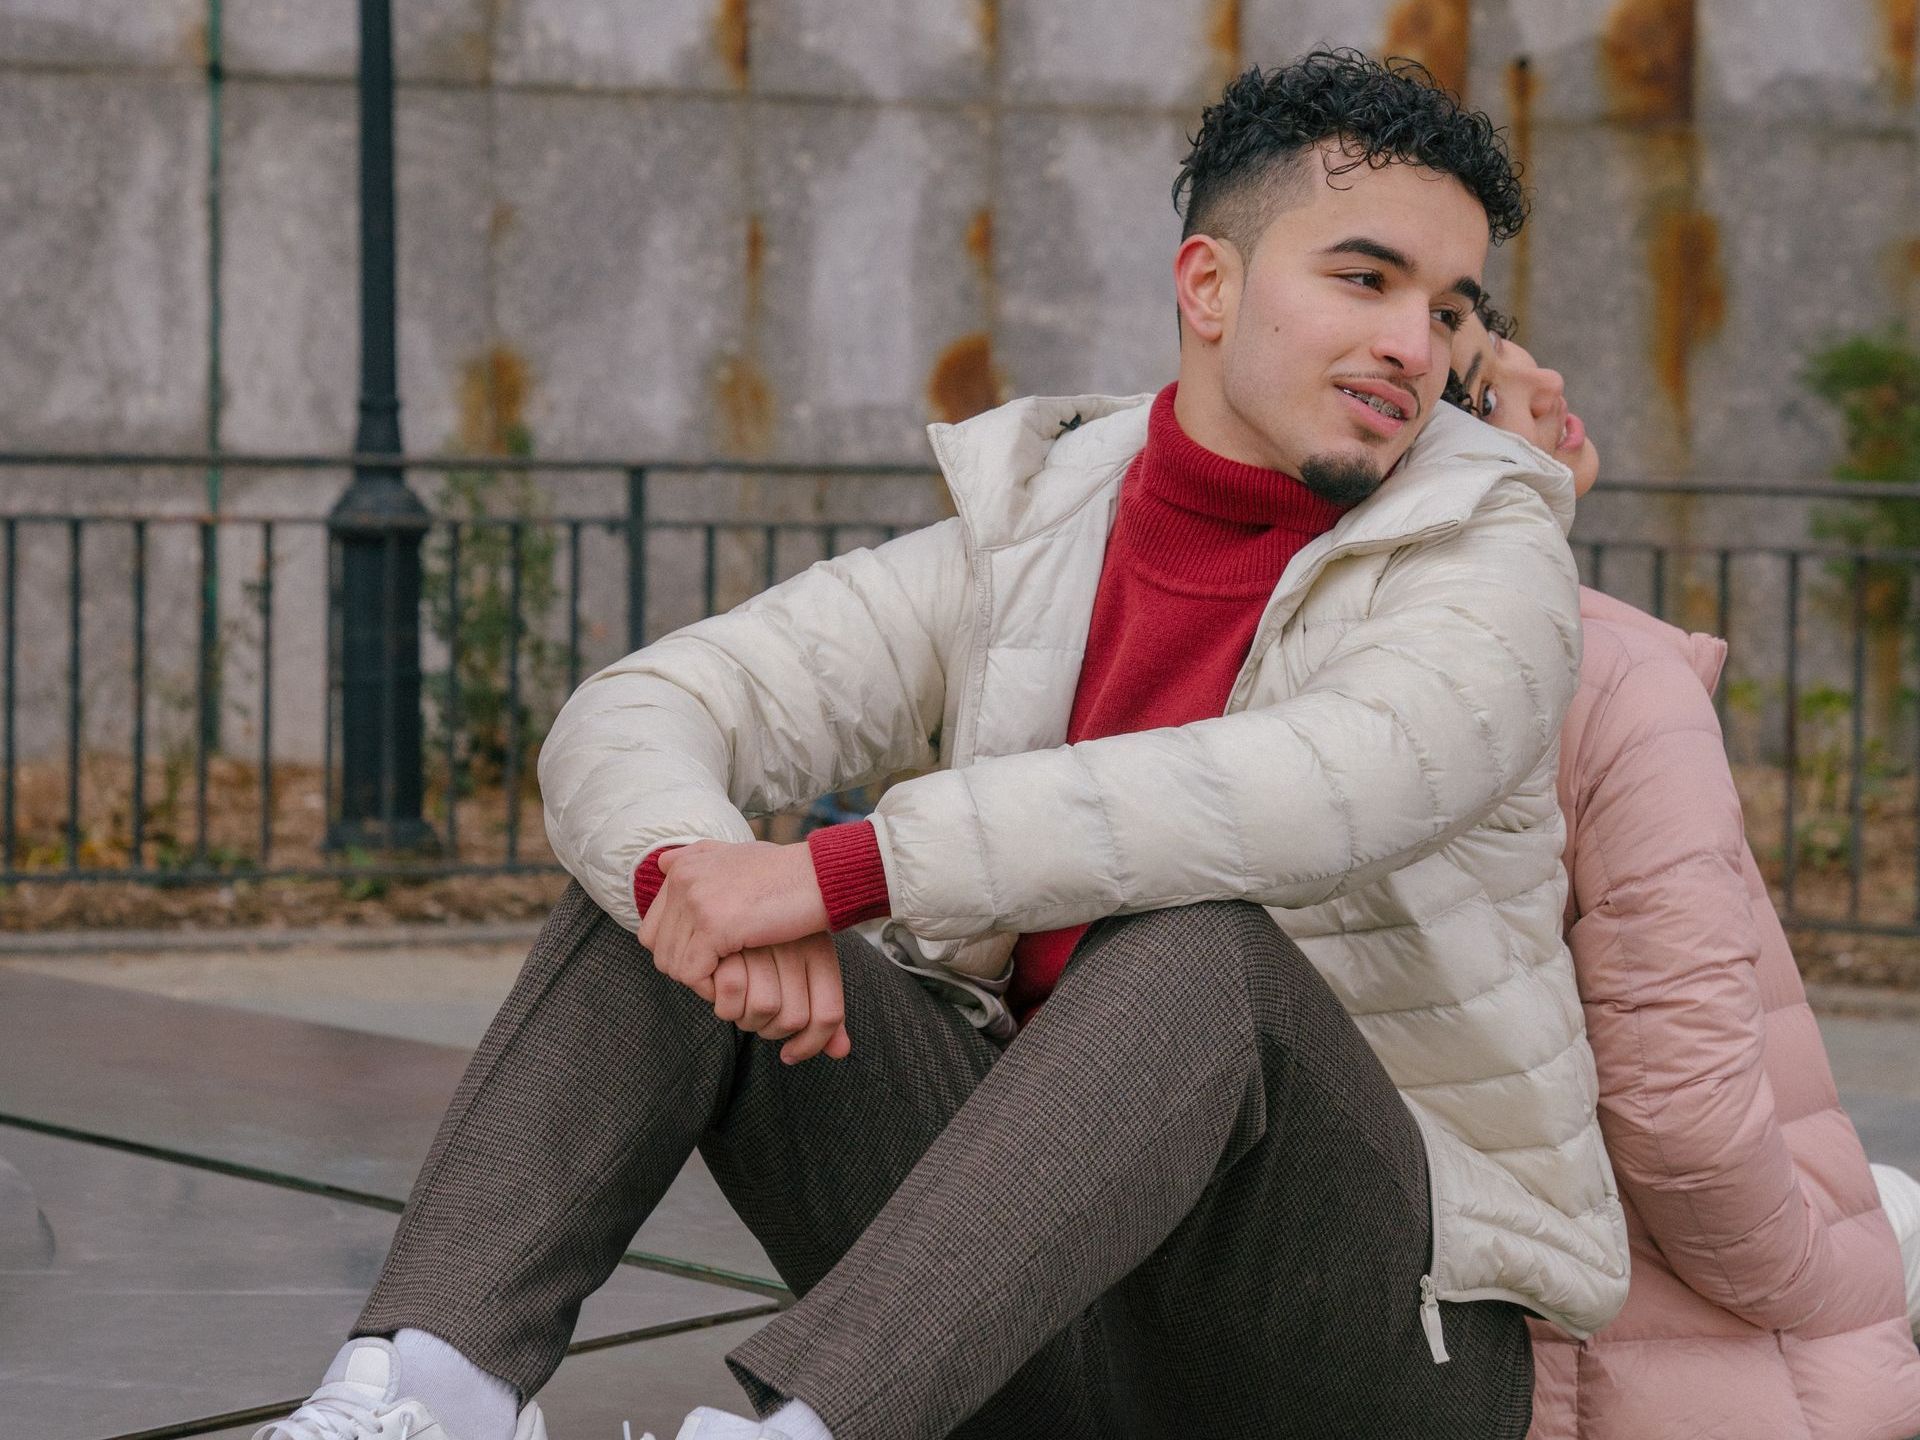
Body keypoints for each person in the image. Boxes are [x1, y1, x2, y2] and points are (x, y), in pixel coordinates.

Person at [259, 53, 1629, 1440]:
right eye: (1365, 278)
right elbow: (649, 704)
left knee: (1199, 950)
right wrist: (710, 877)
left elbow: (1332, 783)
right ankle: (428, 1393)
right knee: (661, 893)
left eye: (1450, 308)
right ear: (1208, 287)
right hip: (1023, 1307)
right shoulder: (1033, 527)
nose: (1417, 341)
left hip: (1364, 1337)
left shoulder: (1486, 546)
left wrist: (850, 872)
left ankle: (806, 1432)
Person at [1444, 304, 1920, 1439]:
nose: (1549, 378)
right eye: (1489, 392)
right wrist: (1845, 1272)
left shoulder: (1354, 665)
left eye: (1517, 342)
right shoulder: (1612, 685)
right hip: (1683, 1348)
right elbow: (1690, 1128)